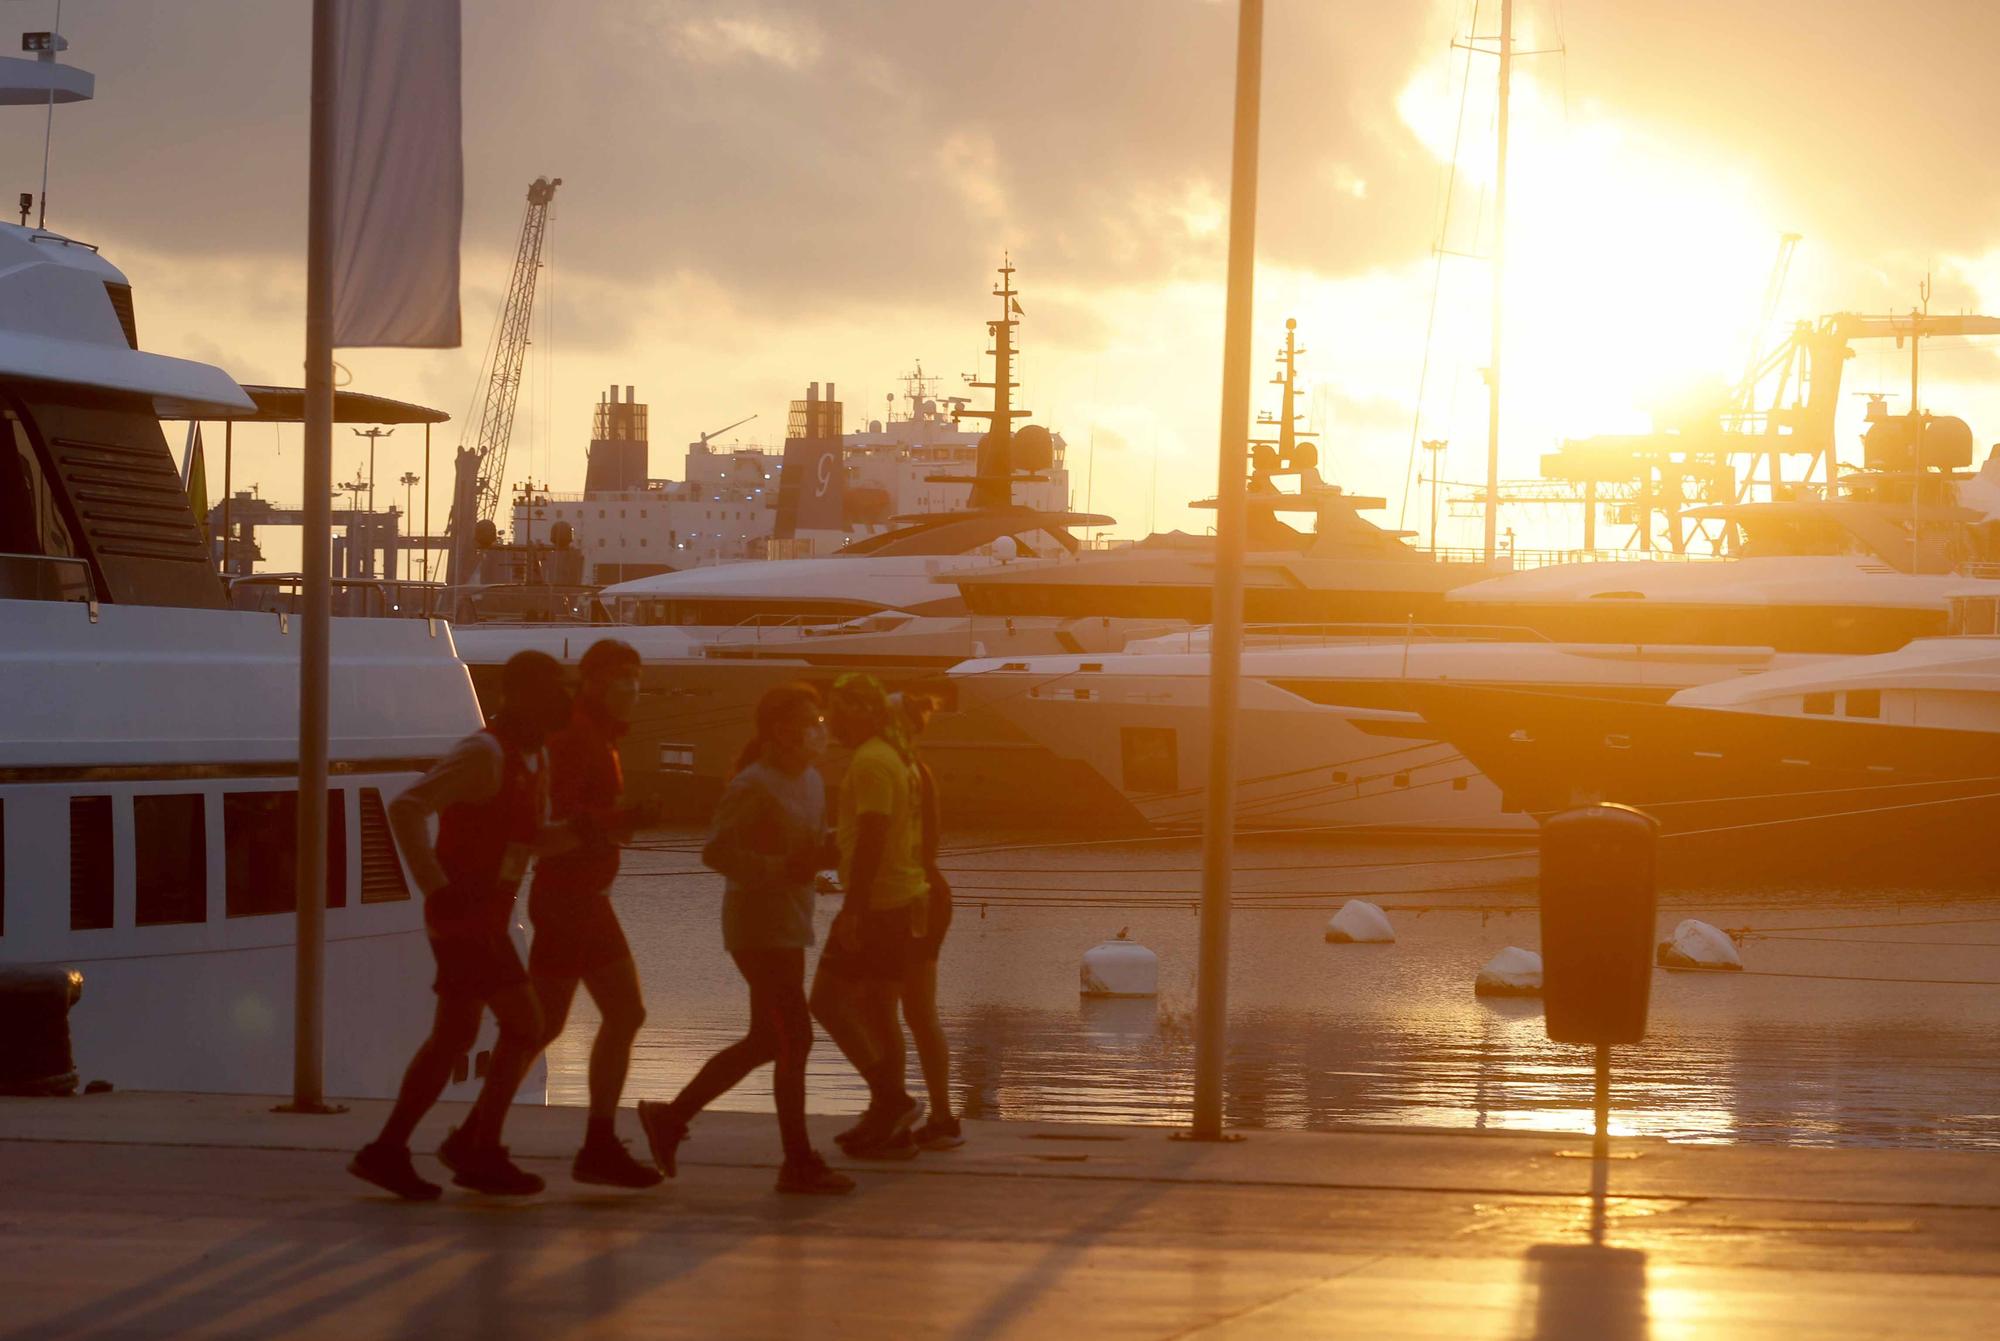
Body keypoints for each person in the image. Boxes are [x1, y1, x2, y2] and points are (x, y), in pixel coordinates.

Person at [348, 650, 578, 1200]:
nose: (564, 700)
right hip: (467, 918)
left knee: (454, 1035)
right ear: (521, 695)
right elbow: (407, 808)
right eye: (554, 689)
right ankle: (478, 1151)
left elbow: (528, 839)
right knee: (525, 1025)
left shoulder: (532, 758)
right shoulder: (483, 753)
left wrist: (590, 834)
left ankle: (389, 1151)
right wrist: (437, 889)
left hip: (487, 914)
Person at [637, 683, 854, 1195]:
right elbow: (716, 852)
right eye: (809, 722)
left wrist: (828, 852)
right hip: (756, 928)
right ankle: (798, 1161)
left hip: (792, 921)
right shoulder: (753, 785)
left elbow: (809, 847)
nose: (818, 732)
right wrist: (782, 868)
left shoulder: (814, 782)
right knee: (794, 1037)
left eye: (819, 722)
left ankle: (670, 1118)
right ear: (779, 730)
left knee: (767, 1039)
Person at [527, 639, 663, 1189]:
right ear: (592, 682)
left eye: (637, 676)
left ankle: (599, 1141)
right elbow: (557, 819)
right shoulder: (579, 739)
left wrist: (619, 822)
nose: (632, 687)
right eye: (620, 676)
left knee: (620, 1015)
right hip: (567, 899)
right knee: (538, 1027)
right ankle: (478, 1131)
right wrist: (618, 819)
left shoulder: (600, 738)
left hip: (586, 900)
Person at [812, 673, 930, 1156]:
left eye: (837, 711)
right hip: (901, 899)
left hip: (879, 904)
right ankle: (890, 1122)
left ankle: (891, 1099)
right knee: (881, 1012)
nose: (831, 721)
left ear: (861, 711)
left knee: (826, 1003)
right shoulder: (893, 757)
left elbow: (873, 836)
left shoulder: (870, 762)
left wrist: (852, 910)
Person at [894, 690, 963, 1150]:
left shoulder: (899, 771)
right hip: (927, 895)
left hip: (912, 899)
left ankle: (901, 1107)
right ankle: (935, 1114)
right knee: (918, 1013)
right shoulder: (918, 770)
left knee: (895, 1011)